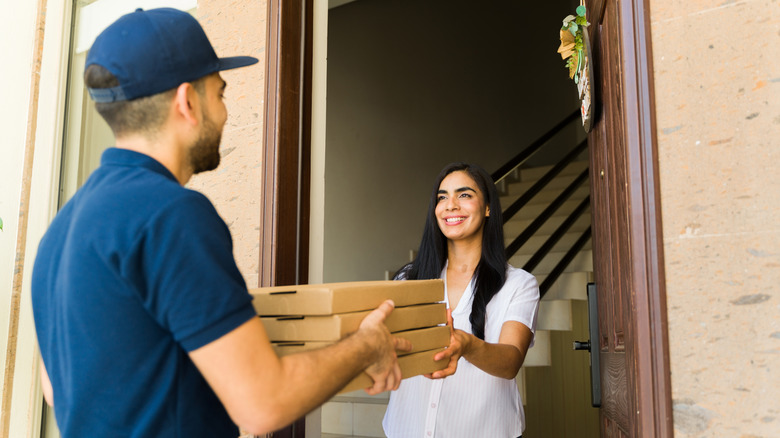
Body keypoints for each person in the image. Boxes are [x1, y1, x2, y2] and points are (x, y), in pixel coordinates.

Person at [31, 8, 414, 438]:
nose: (227, 113)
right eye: (220, 93)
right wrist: (367, 346)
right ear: (187, 102)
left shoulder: (59, 231)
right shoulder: (171, 215)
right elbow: (262, 405)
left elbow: (53, 387)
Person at [382, 162, 541, 438]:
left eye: (464, 195)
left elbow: (510, 361)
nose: (450, 205)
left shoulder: (519, 284)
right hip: (404, 429)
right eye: (442, 197)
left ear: (488, 207)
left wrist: (467, 344)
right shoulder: (408, 279)